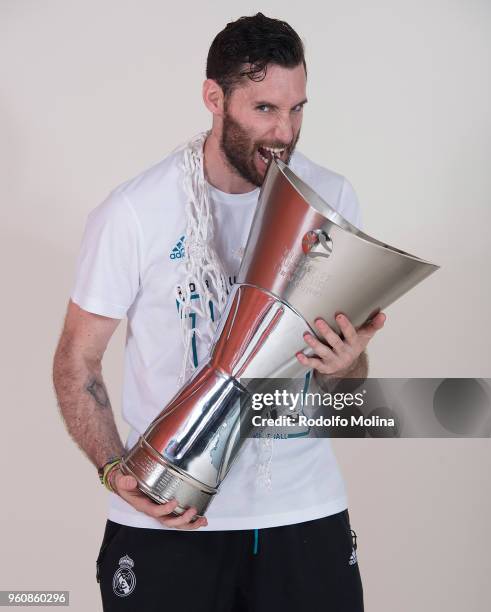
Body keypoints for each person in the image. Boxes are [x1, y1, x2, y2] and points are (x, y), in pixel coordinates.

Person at [53, 12, 385, 612]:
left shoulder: (331, 199)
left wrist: (345, 365)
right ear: (214, 98)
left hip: (301, 513)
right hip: (168, 519)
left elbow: (346, 390)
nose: (285, 131)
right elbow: (78, 360)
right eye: (264, 109)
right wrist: (112, 469)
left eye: (298, 109)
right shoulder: (134, 212)